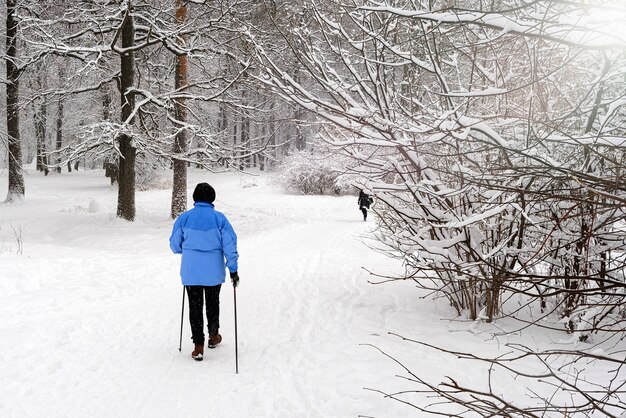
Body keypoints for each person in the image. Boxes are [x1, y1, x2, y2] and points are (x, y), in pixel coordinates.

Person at [169, 182, 240, 361]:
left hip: (191, 270)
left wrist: (187, 250)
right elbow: (230, 245)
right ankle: (213, 335)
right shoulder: (220, 219)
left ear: (195, 198)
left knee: (194, 307)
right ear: (212, 198)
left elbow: (174, 245)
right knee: (212, 303)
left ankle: (198, 345)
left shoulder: (184, 218)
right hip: (213, 271)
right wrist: (233, 269)